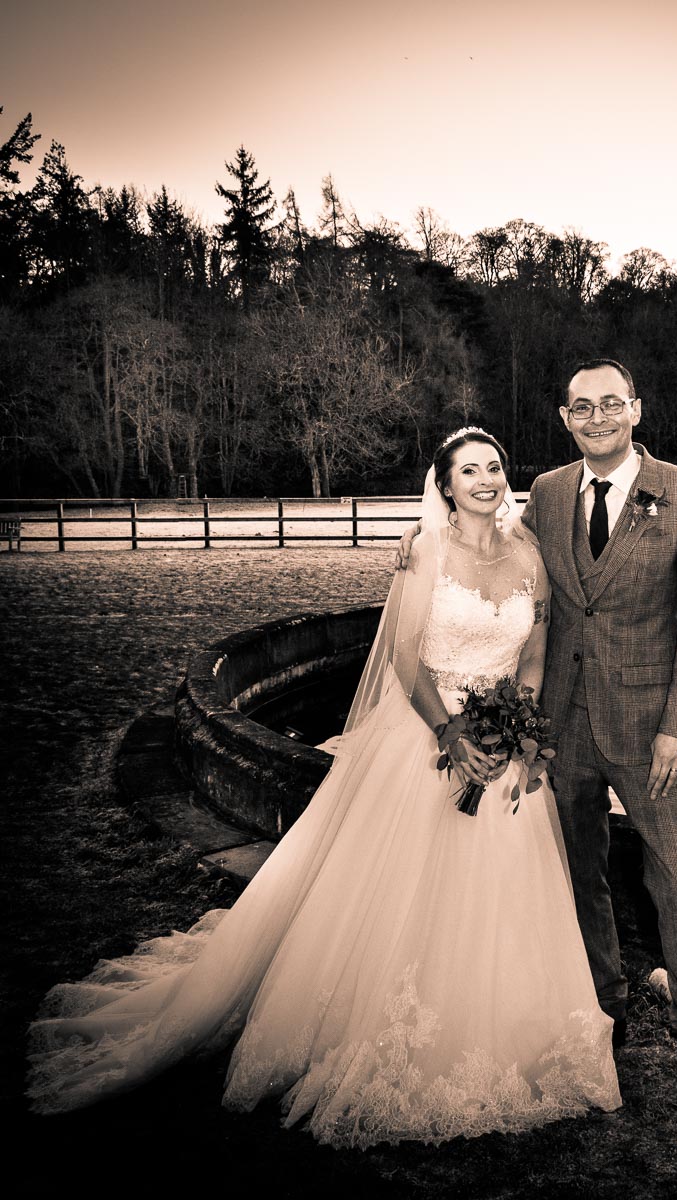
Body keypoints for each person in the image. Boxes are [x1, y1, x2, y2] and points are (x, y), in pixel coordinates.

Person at [26, 428, 621, 1147]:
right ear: (445, 486)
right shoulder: (425, 551)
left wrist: (518, 730)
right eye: (469, 471)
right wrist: (449, 734)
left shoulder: (528, 555)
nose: (486, 480)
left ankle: (512, 1019)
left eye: (493, 467)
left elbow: (533, 652)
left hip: (502, 748)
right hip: (425, 739)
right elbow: (405, 657)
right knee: (396, 892)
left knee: (504, 890)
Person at [398, 360, 677, 1094]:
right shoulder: (548, 492)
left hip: (649, 732)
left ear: (635, 409)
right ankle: (604, 1006)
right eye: (582, 407)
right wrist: (421, 538)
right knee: (576, 874)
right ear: (565, 418)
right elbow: (496, 551)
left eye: (610, 403)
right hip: (556, 725)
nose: (597, 417)